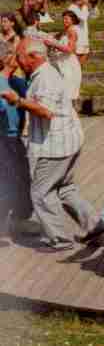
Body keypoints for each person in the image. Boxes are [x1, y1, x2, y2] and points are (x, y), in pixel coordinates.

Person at [1, 38, 104, 252]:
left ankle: (60, 239)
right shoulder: (43, 74)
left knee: (40, 192)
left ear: (34, 56)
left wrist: (18, 101)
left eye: (20, 57)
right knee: (65, 187)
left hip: (55, 146)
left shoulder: (45, 78)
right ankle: (93, 224)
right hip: (68, 140)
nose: (18, 62)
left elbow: (46, 111)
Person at [0, 43, 34, 238]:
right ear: (6, 59)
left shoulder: (18, 82)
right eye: (14, 53)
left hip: (16, 138)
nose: (18, 57)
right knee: (9, 180)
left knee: (22, 179)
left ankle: (19, 220)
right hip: (4, 139)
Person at [44, 11, 82, 105]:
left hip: (69, 64)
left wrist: (54, 44)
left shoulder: (72, 31)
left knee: (68, 91)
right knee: (62, 91)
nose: (64, 20)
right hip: (61, 63)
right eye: (63, 18)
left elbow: (70, 49)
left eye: (66, 19)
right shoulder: (64, 32)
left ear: (72, 20)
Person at [67, 0, 92, 65]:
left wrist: (86, 7)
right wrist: (85, 6)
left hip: (84, 38)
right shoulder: (72, 8)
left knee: (82, 62)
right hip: (77, 39)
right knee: (76, 64)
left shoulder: (82, 7)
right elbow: (83, 18)